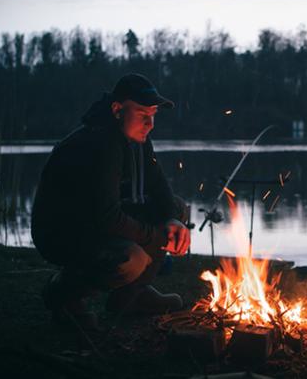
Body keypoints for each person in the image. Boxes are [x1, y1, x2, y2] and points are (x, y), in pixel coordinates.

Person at [31, 73, 191, 330]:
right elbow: (107, 217)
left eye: (153, 115)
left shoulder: (136, 139)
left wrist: (171, 219)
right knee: (131, 258)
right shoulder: (99, 144)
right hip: (62, 232)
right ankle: (64, 295)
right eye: (142, 114)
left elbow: (161, 190)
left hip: (96, 223)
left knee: (177, 209)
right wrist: (157, 238)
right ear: (117, 109)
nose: (149, 123)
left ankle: (132, 296)